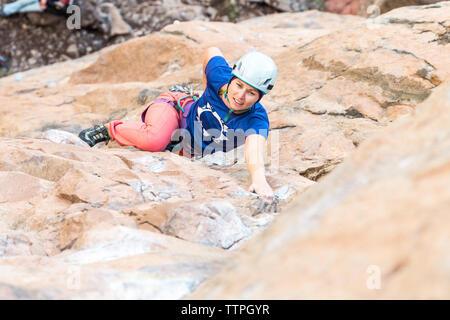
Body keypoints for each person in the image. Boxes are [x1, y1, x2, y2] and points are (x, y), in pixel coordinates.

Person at [79, 47, 277, 199]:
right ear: (232, 78)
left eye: (251, 92)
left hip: (187, 145)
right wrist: (206, 88)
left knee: (175, 149)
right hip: (176, 108)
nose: (240, 96)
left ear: (260, 96)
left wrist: (259, 181)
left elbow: (255, 151)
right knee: (154, 140)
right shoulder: (220, 78)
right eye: (239, 85)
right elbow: (212, 51)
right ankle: (110, 129)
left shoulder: (256, 119)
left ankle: (166, 141)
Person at [0, 0, 73, 16]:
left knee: (24, 8)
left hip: (44, 6)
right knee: (22, 2)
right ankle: (4, 9)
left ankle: (5, 11)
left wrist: (45, 8)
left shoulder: (67, 7)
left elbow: (58, 12)